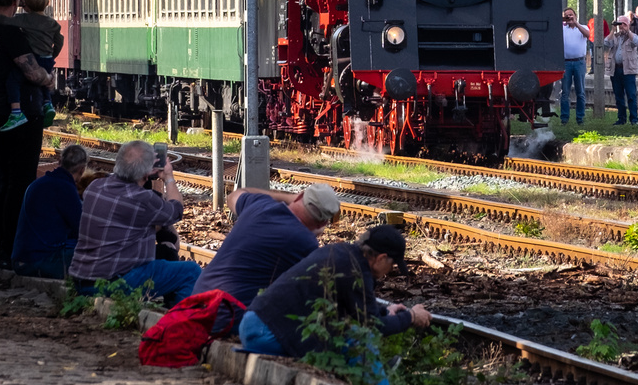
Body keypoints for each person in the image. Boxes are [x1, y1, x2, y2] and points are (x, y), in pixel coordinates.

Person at [240, 224, 430, 367]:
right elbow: (374, 325)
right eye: (392, 264)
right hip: (268, 334)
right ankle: (375, 379)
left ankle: (370, 374)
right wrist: (411, 316)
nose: (390, 270)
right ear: (381, 258)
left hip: (254, 322)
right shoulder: (356, 271)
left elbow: (361, 310)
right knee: (356, 340)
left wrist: (385, 311)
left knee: (346, 334)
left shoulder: (341, 253)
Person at [0, 0, 52, 267]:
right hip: (19, 115)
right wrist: (47, 79)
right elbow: (31, 71)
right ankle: (10, 251)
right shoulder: (11, 33)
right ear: (14, 0)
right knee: (18, 182)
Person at [69, 139, 200, 302]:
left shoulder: (96, 187)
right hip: (114, 283)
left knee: (163, 257)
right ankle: (177, 319)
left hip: (82, 280)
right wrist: (168, 178)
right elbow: (176, 210)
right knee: (191, 272)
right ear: (147, 173)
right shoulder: (143, 199)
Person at [192, 183, 341, 306]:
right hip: (228, 316)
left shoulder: (259, 206)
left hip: (198, 299)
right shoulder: (306, 243)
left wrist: (289, 197)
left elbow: (235, 195)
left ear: (300, 197)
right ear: (324, 222)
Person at [12, 144, 89, 278]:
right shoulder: (66, 188)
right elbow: (82, 229)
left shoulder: (37, 183)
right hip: (39, 261)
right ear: (82, 170)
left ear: (59, 162)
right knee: (95, 254)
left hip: (20, 259)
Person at [1, 0, 63, 131]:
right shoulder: (53, 23)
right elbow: (59, 41)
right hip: (48, 58)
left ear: (25, 2)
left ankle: (16, 112)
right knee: (45, 80)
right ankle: (48, 103)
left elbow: (3, 18)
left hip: (32, 59)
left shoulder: (24, 19)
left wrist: (19, 4)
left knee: (13, 80)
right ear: (48, 3)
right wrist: (52, 55)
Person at [604, 16, 638, 126]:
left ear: (629, 25)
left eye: (624, 24)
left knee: (631, 95)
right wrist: (613, 30)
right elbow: (606, 43)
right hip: (616, 70)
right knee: (618, 96)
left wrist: (627, 30)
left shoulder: (632, 36)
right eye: (621, 24)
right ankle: (621, 119)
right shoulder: (615, 36)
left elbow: (636, 42)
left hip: (628, 70)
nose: (622, 26)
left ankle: (634, 119)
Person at [558, 8, 588, 125]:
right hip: (566, 63)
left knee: (580, 91)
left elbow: (588, 35)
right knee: (564, 92)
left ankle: (580, 118)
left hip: (579, 62)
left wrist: (575, 23)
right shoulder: (562, 30)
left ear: (575, 15)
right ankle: (564, 118)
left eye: (571, 15)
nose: (569, 17)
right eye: (566, 15)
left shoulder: (583, 27)